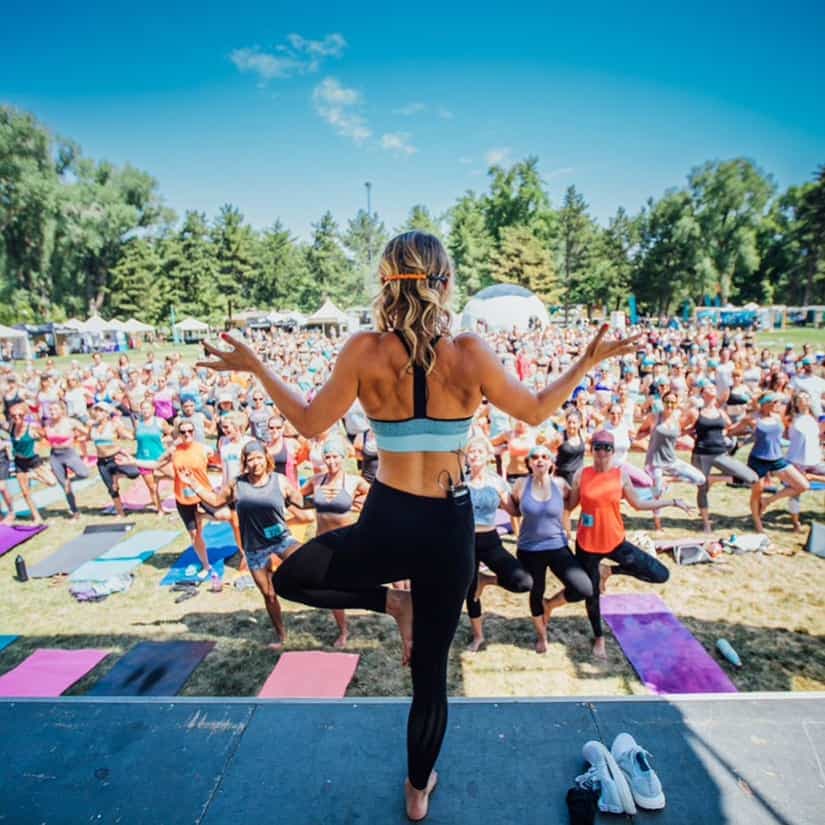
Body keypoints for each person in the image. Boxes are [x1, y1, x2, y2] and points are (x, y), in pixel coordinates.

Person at [199, 231, 636, 821]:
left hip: (389, 517)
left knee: (291, 578)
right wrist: (586, 361)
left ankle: (390, 605)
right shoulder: (470, 351)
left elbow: (307, 422)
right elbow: (534, 409)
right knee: (430, 678)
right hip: (447, 526)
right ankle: (417, 792)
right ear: (445, 284)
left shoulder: (363, 350)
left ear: (385, 285)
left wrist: (256, 365)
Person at [566, 431, 691, 658]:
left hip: (615, 541)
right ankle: (599, 638)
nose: (602, 452)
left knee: (660, 574)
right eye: (598, 446)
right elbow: (569, 506)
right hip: (587, 545)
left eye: (607, 447)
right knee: (592, 595)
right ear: (592, 449)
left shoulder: (620, 475)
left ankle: (609, 570)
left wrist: (672, 502)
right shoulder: (581, 474)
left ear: (613, 451)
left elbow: (638, 504)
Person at [181, 440, 305, 647]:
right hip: (255, 548)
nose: (255, 463)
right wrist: (193, 484)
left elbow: (301, 501)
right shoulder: (237, 484)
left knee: (307, 563)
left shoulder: (279, 481)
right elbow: (215, 501)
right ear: (245, 462)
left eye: (259, 458)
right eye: (250, 459)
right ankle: (281, 635)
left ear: (266, 458)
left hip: (281, 539)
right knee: (269, 594)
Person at [511, 445, 592, 653]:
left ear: (551, 462)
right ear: (529, 462)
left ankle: (551, 605)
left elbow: (571, 506)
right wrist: (516, 532)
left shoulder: (560, 484)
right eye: (535, 457)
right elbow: (514, 510)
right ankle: (542, 635)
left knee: (584, 588)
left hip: (557, 546)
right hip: (529, 549)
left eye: (544, 457)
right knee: (536, 591)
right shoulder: (520, 484)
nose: (540, 460)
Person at [464, 437, 532, 652]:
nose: (475, 455)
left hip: (490, 541)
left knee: (523, 582)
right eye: (471, 451)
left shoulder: (496, 482)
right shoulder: (459, 481)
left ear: (487, 456)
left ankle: (486, 580)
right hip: (465, 543)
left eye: (479, 451)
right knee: (470, 593)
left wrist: (527, 494)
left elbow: (514, 511)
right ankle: (478, 636)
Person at [300, 438, 370, 648]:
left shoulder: (354, 481)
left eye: (335, 457)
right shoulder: (316, 481)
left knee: (361, 580)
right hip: (323, 543)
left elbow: (374, 495)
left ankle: (400, 602)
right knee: (331, 587)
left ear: (343, 457)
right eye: (327, 457)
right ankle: (343, 630)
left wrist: (361, 504)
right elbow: (295, 496)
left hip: (347, 542)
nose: (331, 461)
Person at [730, 392, 809, 533]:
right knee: (757, 493)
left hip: (777, 459)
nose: (779, 405)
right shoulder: (752, 418)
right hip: (758, 460)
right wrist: (744, 433)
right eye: (776, 402)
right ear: (767, 403)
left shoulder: (778, 417)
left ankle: (768, 501)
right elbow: (732, 431)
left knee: (803, 485)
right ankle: (758, 524)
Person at [684, 384, 757, 533]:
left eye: (713, 387)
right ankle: (706, 523)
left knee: (752, 478)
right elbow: (683, 428)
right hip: (701, 454)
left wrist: (744, 424)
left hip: (720, 453)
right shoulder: (696, 411)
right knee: (702, 489)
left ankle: (713, 479)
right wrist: (691, 434)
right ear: (703, 393)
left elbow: (729, 428)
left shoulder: (720, 412)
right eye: (708, 387)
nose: (712, 388)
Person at [762, 390, 822, 532]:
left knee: (799, 487)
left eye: (806, 397)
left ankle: (768, 500)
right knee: (796, 491)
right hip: (796, 460)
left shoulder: (815, 418)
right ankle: (795, 523)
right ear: (795, 403)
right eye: (799, 398)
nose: (803, 399)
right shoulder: (790, 419)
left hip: (815, 459)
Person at [89, 402, 141, 518]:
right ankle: (120, 512)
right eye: (96, 410)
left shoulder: (114, 425)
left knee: (134, 473)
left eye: (100, 411)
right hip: (102, 462)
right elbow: (86, 437)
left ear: (106, 413)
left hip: (115, 457)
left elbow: (130, 437)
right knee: (112, 489)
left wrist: (135, 425)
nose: (97, 413)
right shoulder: (93, 426)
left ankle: (116, 476)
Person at [8, 403, 57, 523]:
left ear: (25, 415)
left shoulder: (31, 428)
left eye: (20, 415)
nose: (17, 418)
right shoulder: (11, 427)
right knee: (25, 493)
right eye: (14, 416)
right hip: (19, 462)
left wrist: (39, 441)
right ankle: (37, 517)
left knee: (52, 482)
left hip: (33, 460)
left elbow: (46, 436)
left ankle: (32, 475)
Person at [44, 402, 91, 519]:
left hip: (69, 453)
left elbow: (88, 433)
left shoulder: (71, 422)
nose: (52, 412)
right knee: (64, 486)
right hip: (55, 455)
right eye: (50, 410)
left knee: (84, 473)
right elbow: (44, 436)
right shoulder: (47, 423)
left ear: (62, 410)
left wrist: (81, 438)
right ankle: (75, 511)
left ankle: (70, 480)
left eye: (55, 409)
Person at [134, 399, 171, 511]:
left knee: (176, 476)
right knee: (152, 487)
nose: (145, 410)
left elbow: (170, 434)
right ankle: (160, 510)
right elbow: (134, 436)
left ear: (153, 409)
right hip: (143, 458)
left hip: (160, 457)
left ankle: (160, 477)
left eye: (147, 408)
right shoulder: (138, 423)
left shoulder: (160, 421)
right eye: (143, 408)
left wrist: (163, 440)